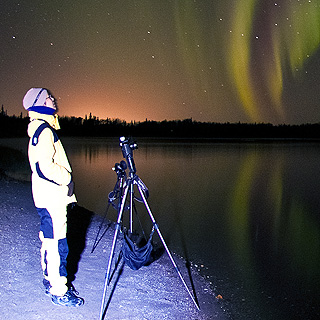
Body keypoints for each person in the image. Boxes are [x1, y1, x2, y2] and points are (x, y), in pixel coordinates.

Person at [23, 87, 84, 307]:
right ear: (39, 103)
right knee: (57, 243)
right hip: (52, 198)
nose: (53, 99)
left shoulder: (43, 128)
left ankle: (51, 279)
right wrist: (67, 178)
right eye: (48, 97)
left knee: (50, 239)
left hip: (49, 196)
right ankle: (59, 291)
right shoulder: (44, 131)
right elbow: (43, 168)